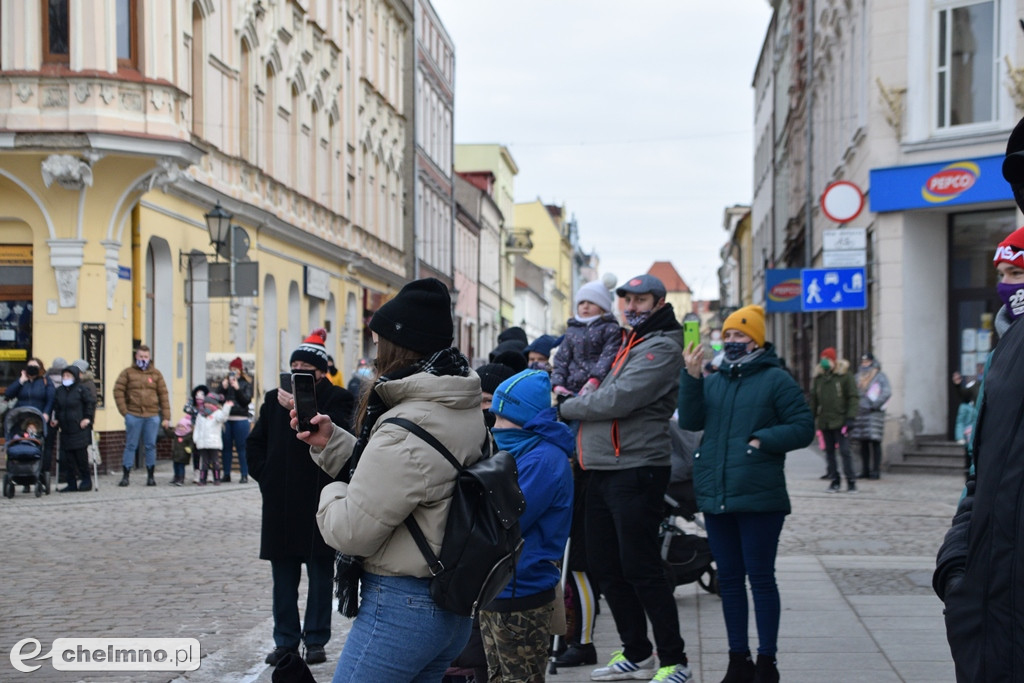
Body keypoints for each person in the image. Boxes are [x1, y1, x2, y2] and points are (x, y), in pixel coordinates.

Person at [298, 278, 487, 682]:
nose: (373, 353)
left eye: (377, 343)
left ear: (395, 347)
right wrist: (332, 444)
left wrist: (333, 489)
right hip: (448, 605)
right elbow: (408, 476)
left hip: (403, 609)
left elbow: (351, 530)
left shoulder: (406, 426)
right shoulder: (457, 403)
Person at [557, 274, 693, 683]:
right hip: (600, 466)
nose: (631, 307)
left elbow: (620, 399)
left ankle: (675, 660)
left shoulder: (662, 345)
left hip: (636, 468)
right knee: (604, 565)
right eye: (626, 301)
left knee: (642, 567)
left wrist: (567, 407)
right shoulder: (629, 341)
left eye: (640, 300)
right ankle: (637, 651)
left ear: (658, 302)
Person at [679, 304, 814, 683]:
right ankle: (738, 660)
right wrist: (690, 377)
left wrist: (762, 440)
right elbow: (690, 421)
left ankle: (767, 662)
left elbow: (803, 427)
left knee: (761, 578)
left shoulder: (776, 379)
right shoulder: (714, 378)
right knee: (731, 581)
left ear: (756, 339)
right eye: (728, 335)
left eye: (740, 335)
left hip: (758, 496)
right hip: (717, 494)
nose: (732, 341)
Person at [934, 218, 1024, 681]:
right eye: (1003, 277)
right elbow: (982, 473)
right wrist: (957, 566)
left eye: (1017, 276)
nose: (1006, 287)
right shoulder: (1003, 346)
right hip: (989, 579)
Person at [247, 330, 356, 668]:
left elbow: (340, 435)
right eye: (294, 365)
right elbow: (255, 444)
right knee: (283, 579)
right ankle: (286, 641)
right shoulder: (272, 400)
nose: (298, 370)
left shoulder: (339, 398)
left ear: (322, 372)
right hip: (280, 502)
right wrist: (265, 475)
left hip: (318, 501)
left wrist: (302, 405)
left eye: (307, 366)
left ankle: (316, 638)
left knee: (322, 575)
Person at [478, 368, 574, 682]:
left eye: (503, 417)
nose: (497, 425)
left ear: (526, 418)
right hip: (499, 587)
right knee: (498, 676)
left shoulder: (543, 460)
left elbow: (506, 518)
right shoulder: (520, 451)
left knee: (519, 677)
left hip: (522, 589)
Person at [552, 280, 622, 398]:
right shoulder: (572, 330)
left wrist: (595, 380)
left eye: (591, 302)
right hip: (570, 387)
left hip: (598, 388)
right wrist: (557, 384)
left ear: (602, 307)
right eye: (581, 302)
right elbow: (561, 359)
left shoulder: (610, 329)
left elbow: (608, 357)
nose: (585, 306)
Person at [113, 345, 171, 487]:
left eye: (145, 357)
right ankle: (126, 475)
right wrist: (125, 412)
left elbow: (163, 395)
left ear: (149, 358)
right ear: (136, 357)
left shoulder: (156, 374)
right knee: (130, 445)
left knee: (150, 445)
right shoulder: (127, 373)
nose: (143, 359)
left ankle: (151, 476)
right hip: (133, 414)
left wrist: (166, 417)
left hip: (152, 415)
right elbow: (118, 391)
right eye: (140, 357)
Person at [809, 347, 858, 493]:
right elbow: (814, 400)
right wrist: (810, 418)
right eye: (822, 359)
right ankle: (834, 480)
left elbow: (853, 397)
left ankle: (851, 481)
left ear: (833, 360)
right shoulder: (819, 379)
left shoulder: (844, 376)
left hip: (841, 420)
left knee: (844, 451)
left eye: (827, 359)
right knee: (829, 452)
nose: (824, 362)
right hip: (825, 421)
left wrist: (850, 417)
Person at [7, 357, 55, 491]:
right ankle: (22, 477)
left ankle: (40, 474)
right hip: (22, 420)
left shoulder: (45, 381)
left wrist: (46, 413)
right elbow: (9, 393)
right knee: (21, 445)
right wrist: (21, 381)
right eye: (30, 366)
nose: (32, 368)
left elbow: (50, 399)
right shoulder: (23, 382)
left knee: (40, 446)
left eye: (35, 366)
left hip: (39, 420)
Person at [50, 364, 97, 492]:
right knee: (68, 458)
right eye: (64, 376)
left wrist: (88, 418)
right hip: (65, 428)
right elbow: (57, 408)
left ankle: (86, 481)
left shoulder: (82, 389)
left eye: (68, 376)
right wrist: (56, 420)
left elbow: (90, 404)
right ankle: (71, 483)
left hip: (79, 428)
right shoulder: (59, 391)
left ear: (75, 377)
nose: (66, 378)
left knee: (81, 457)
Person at [849, 352, 891, 480]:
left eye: (867, 361)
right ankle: (865, 470)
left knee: (875, 442)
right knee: (863, 443)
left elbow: (886, 392)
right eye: (863, 362)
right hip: (861, 414)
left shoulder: (879, 376)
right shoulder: (857, 377)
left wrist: (876, 404)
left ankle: (876, 470)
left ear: (872, 362)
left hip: (874, 414)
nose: (865, 364)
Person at [220, 356, 253, 483]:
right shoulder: (226, 383)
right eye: (231, 369)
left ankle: (244, 474)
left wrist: (237, 388)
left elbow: (246, 401)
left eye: (235, 369)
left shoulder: (245, 384)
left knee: (241, 448)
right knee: (226, 448)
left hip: (241, 419)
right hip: (226, 419)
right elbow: (218, 398)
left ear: (240, 371)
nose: (233, 371)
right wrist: (222, 387)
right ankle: (226, 474)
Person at [194, 392, 232, 485]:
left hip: (213, 442)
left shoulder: (217, 413)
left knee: (215, 461)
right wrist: (196, 439)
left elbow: (223, 418)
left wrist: (227, 407)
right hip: (202, 442)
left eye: (210, 403)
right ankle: (202, 479)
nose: (207, 404)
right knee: (204, 462)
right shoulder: (200, 414)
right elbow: (197, 428)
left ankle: (217, 478)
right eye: (206, 402)